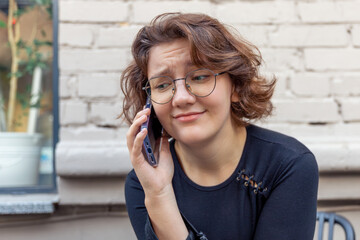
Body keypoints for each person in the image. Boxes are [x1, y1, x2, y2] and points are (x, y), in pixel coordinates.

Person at [121, 12, 319, 240]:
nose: (181, 98)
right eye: (163, 84)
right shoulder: (143, 183)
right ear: (150, 103)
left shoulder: (287, 165)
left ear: (235, 87)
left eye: (199, 77)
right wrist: (158, 194)